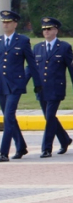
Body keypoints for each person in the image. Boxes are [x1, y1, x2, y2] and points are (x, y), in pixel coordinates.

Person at [29, 17, 73, 158]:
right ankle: (65, 139)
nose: (46, 32)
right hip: (41, 88)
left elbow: (72, 69)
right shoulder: (38, 47)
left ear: (56, 30)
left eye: (49, 29)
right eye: (44, 29)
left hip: (56, 88)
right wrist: (21, 82)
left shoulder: (64, 47)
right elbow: (32, 68)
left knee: (50, 116)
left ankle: (46, 148)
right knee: (49, 117)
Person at [0, 10, 41, 162]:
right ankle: (21, 146)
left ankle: (3, 152)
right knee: (9, 117)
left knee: (9, 116)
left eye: (8, 22)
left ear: (15, 24)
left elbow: (31, 63)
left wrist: (37, 83)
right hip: (1, 84)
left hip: (16, 84)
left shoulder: (22, 40)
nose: (5, 24)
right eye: (4, 22)